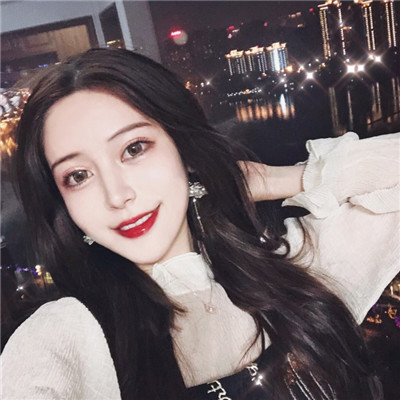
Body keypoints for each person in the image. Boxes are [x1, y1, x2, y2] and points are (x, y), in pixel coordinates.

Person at [1, 48, 399, 400]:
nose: (116, 195)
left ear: (184, 150)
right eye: (78, 176)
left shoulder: (301, 267)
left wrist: (270, 179)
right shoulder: (66, 338)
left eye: (134, 149)